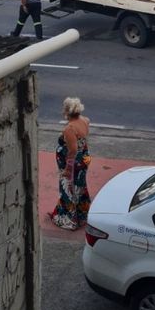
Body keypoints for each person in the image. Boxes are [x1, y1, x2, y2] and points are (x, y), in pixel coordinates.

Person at [50, 97, 92, 231]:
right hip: (84, 159)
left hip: (74, 163)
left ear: (67, 111)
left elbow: (72, 151)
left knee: (68, 188)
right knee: (80, 186)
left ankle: (69, 219)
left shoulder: (70, 128)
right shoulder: (85, 120)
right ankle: (82, 214)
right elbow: (83, 142)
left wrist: (68, 169)